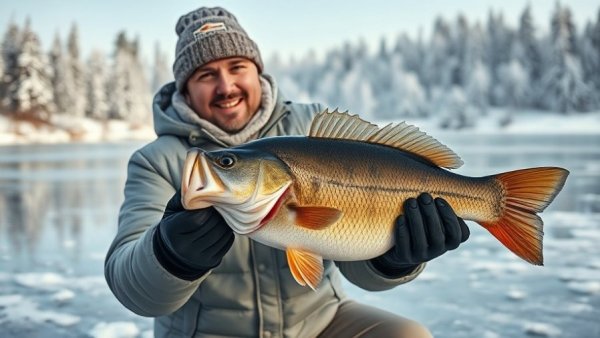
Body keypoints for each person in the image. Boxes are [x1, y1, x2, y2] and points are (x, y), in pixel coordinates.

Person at [104, 6, 470, 338]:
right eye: (206, 74)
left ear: (257, 71)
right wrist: (169, 254)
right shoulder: (160, 162)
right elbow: (130, 286)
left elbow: (355, 264)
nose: (226, 86)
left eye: (237, 67)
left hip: (318, 321)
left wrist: (393, 258)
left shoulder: (312, 128)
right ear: (185, 88)